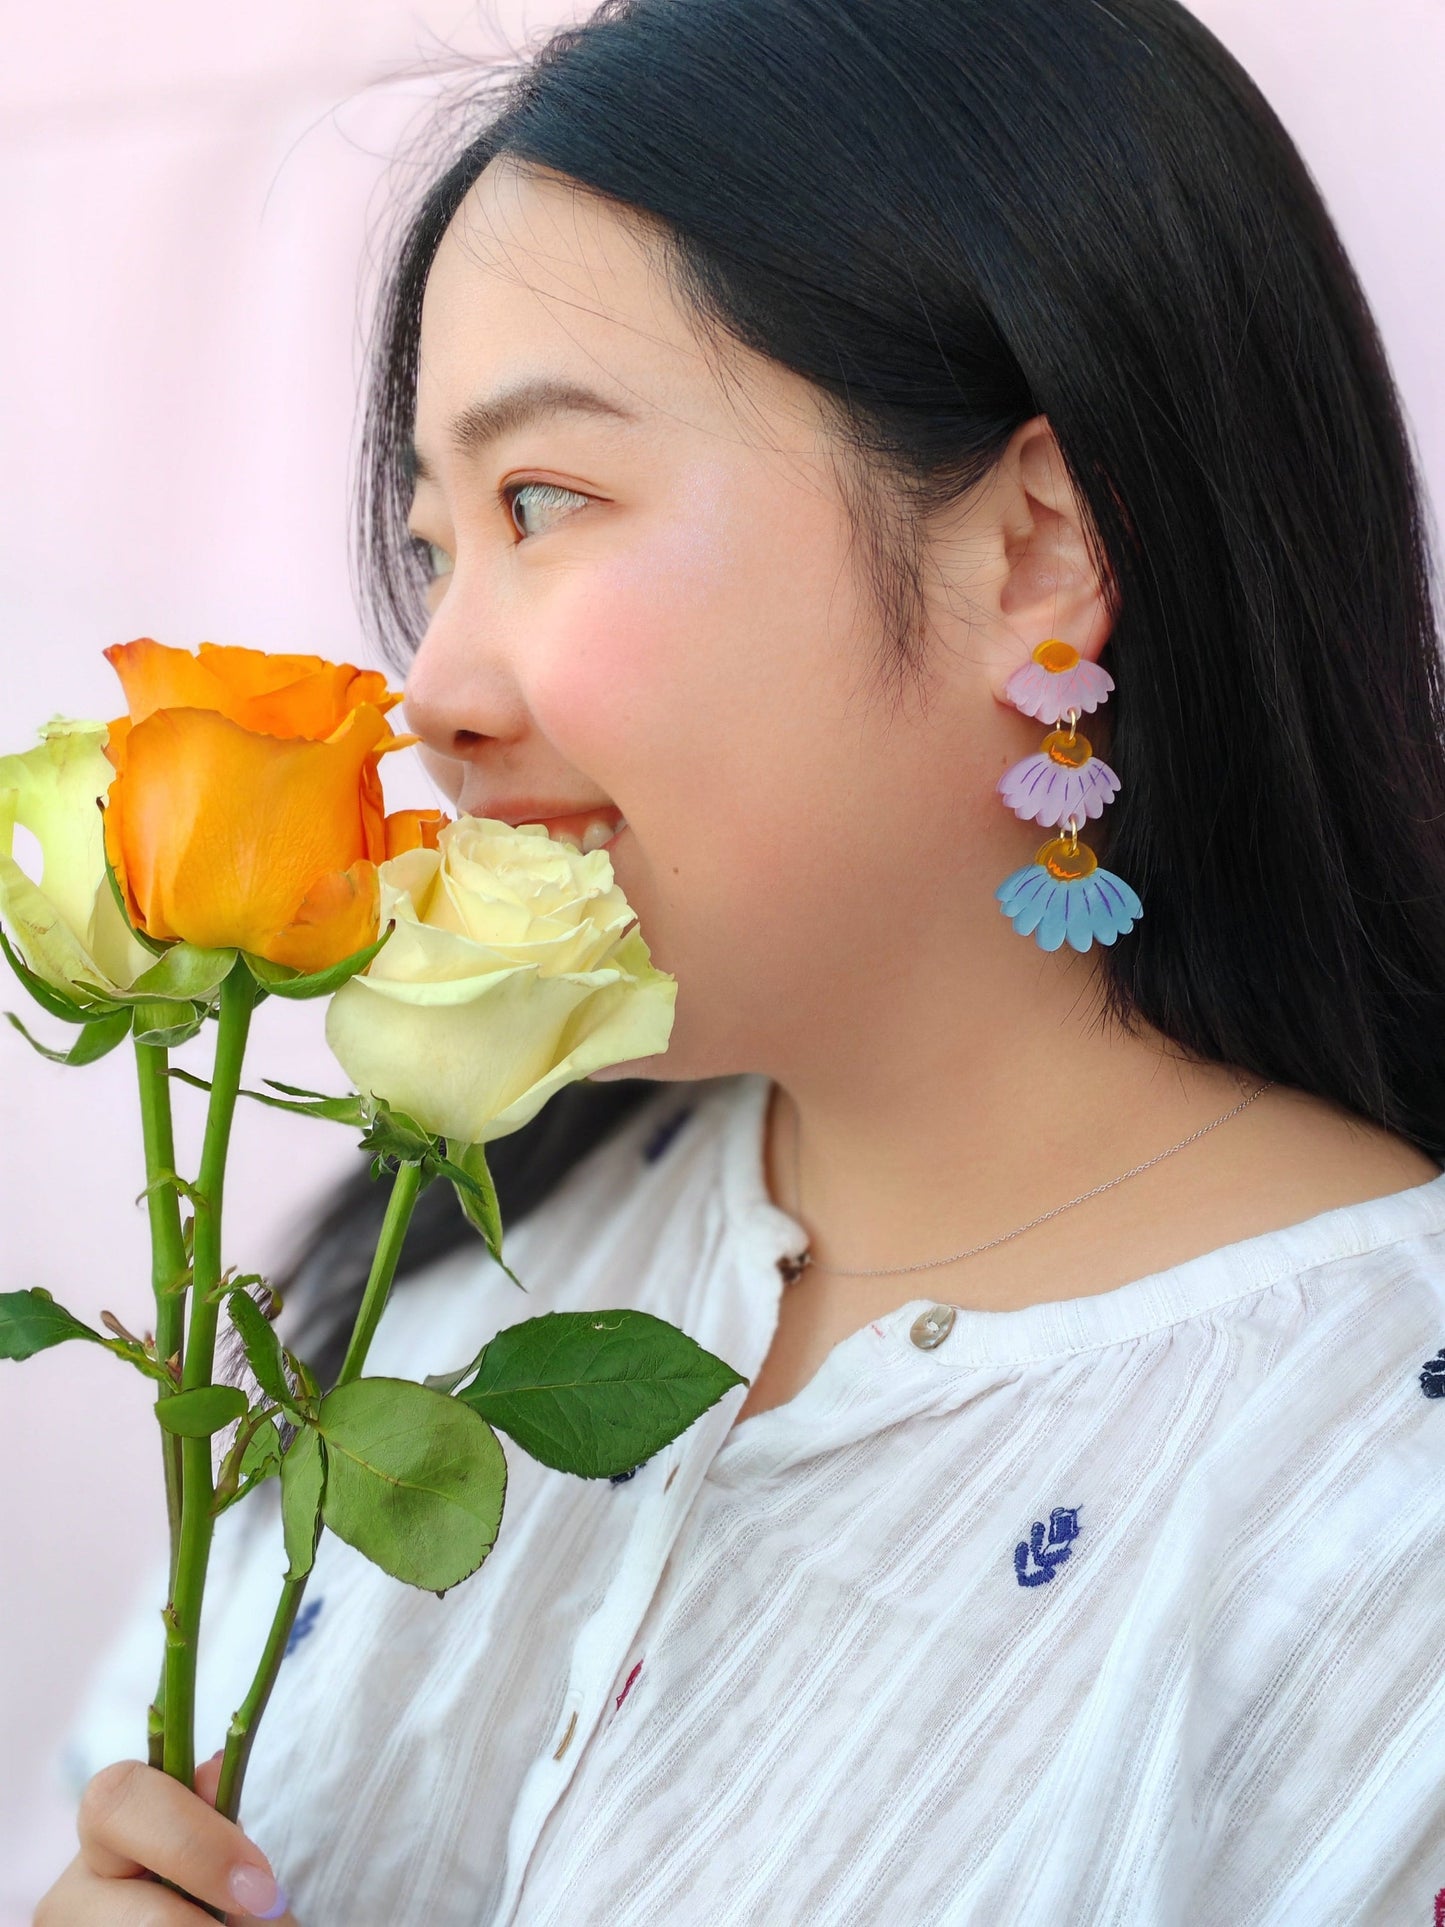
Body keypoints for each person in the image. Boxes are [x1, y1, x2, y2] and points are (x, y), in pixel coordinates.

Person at [38, 0, 1445, 1920]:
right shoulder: (432, 1298)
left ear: (1034, 545)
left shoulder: (1384, 1504)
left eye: (544, 501)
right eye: (433, 540)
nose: (430, 691)